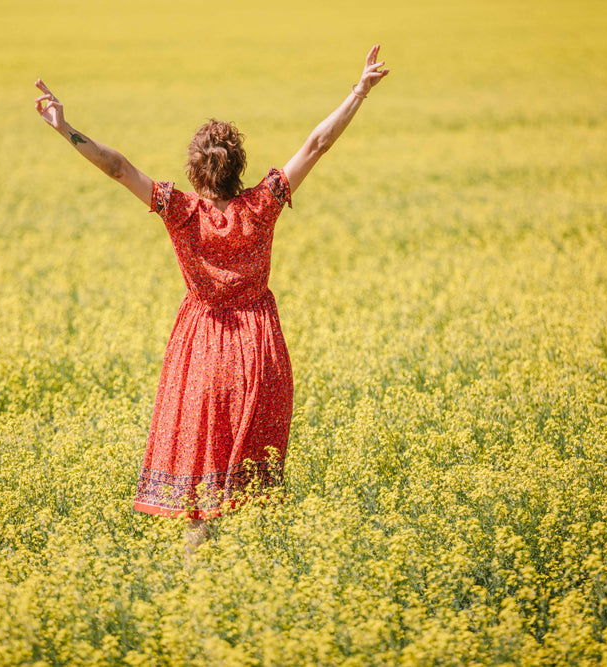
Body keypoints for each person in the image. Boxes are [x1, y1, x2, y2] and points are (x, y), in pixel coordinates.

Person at [35, 45, 389, 551]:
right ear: (239, 166)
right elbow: (316, 144)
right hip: (258, 349)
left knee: (199, 489)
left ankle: (197, 575)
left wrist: (65, 129)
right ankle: (264, 577)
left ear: (196, 172)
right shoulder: (262, 205)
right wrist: (358, 91)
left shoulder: (179, 210)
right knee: (259, 490)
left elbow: (118, 168)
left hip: (201, 349)